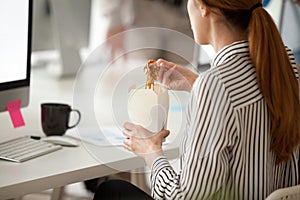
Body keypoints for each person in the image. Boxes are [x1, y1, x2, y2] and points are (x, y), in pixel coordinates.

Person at [93, 0, 300, 199]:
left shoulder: (215, 85)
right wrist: (198, 83)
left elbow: (186, 195)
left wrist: (151, 152)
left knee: (111, 191)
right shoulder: (285, 63)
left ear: (204, 9)